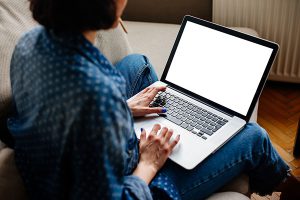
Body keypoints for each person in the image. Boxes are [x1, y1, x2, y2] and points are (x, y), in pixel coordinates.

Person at [7, 0, 300, 199]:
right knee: (253, 137)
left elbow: (64, 109)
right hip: (123, 181)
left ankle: (185, 126)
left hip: (56, 157)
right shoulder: (99, 94)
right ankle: (285, 184)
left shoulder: (29, 45)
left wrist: (123, 110)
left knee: (138, 64)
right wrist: (148, 162)